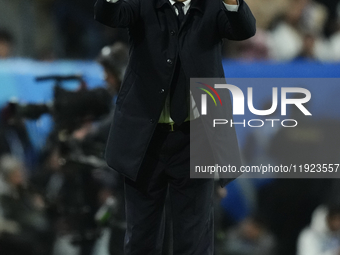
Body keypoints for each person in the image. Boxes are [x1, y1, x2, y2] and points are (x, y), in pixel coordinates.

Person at [94, 0, 256, 254]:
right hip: (144, 141)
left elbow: (244, 30)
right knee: (140, 240)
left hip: (195, 138)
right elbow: (109, 14)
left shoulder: (212, 5)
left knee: (194, 241)